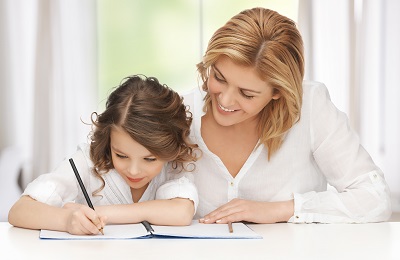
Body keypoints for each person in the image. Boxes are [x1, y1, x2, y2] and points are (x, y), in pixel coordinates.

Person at [179, 7, 391, 224]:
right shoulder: (179, 113)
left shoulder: (310, 108)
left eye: (247, 94)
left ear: (278, 92)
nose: (224, 100)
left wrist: (279, 210)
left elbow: (374, 197)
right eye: (219, 78)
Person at [8, 75, 199, 235]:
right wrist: (66, 220)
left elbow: (181, 212)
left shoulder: (172, 162)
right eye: (121, 155)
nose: (133, 170)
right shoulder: (86, 162)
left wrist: (98, 212)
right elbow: (19, 211)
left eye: (149, 159)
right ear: (108, 139)